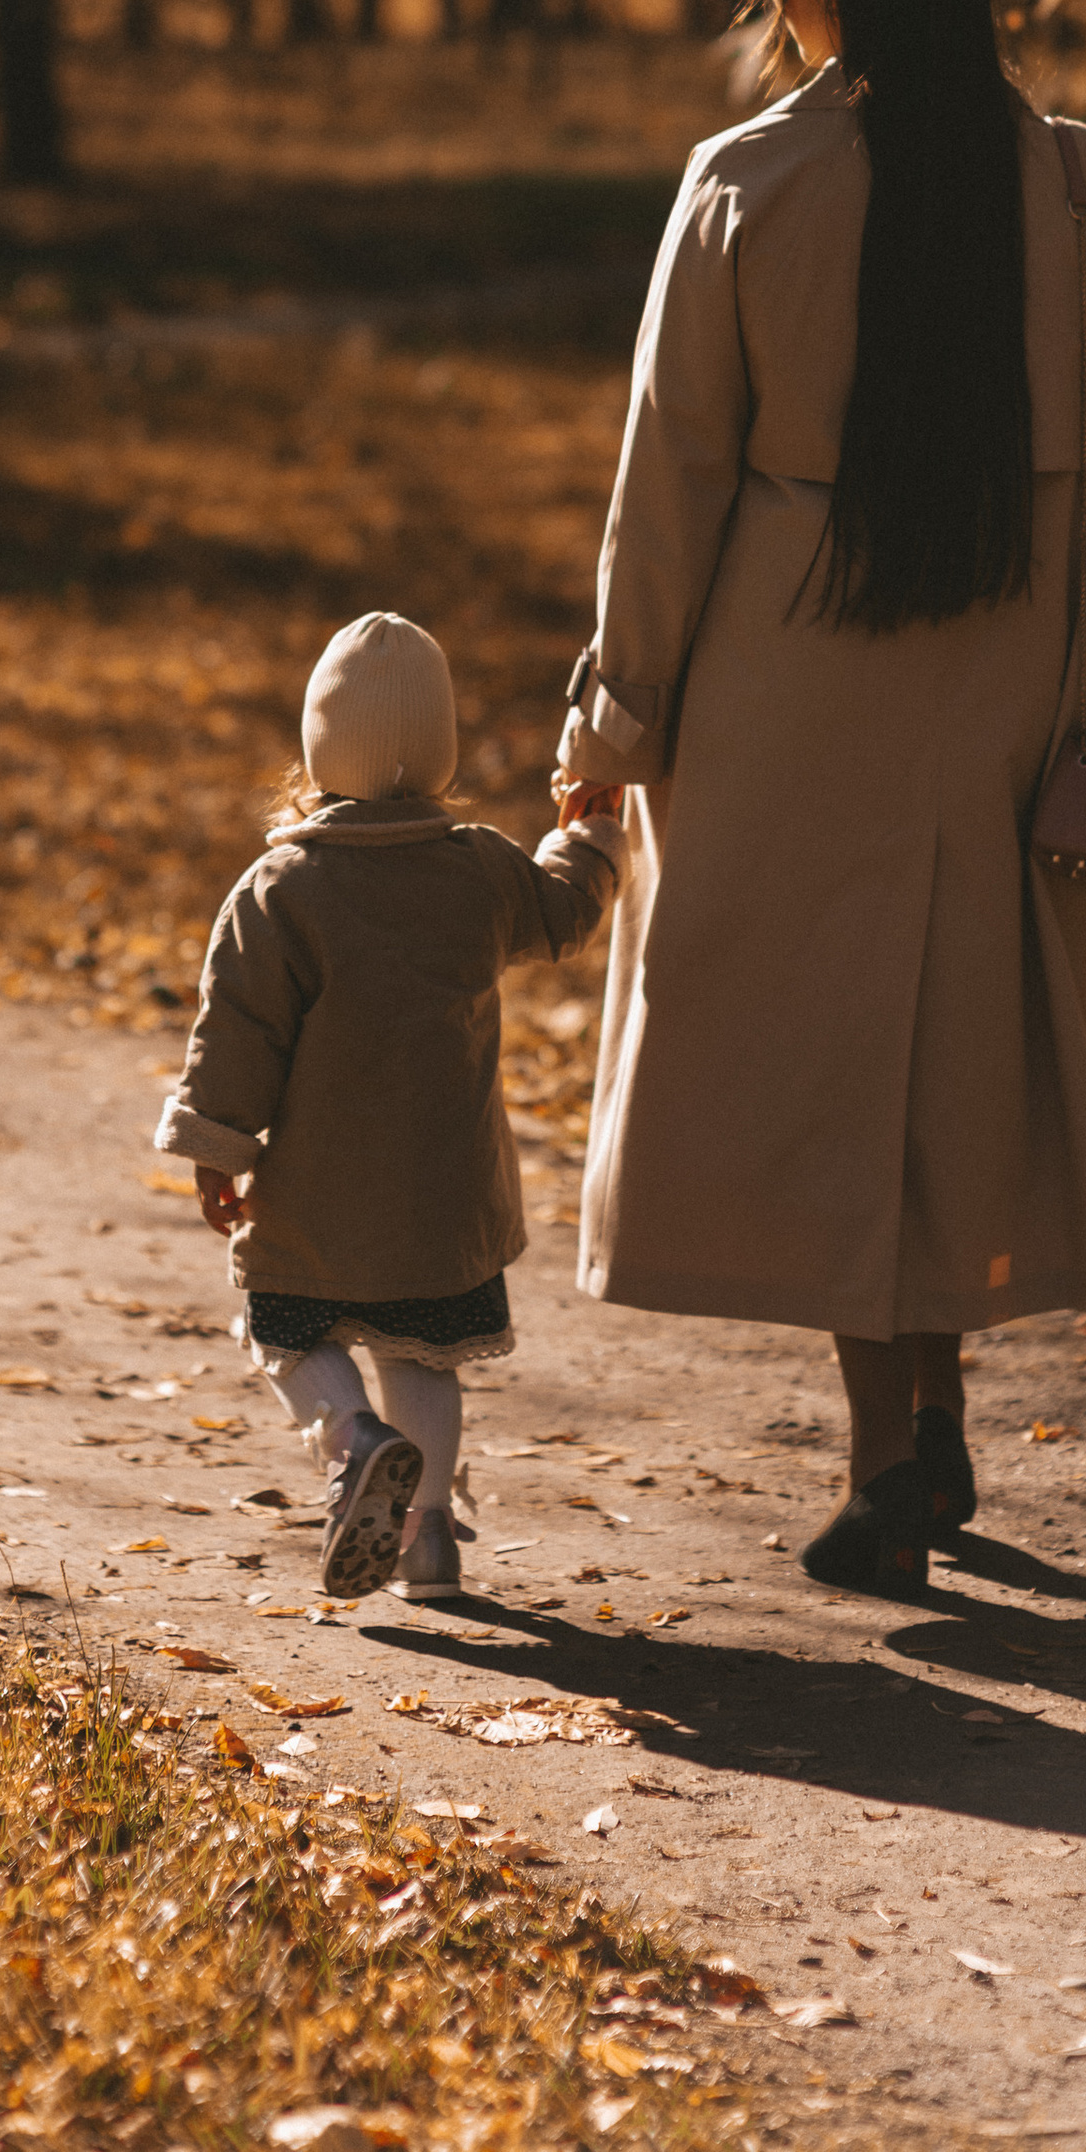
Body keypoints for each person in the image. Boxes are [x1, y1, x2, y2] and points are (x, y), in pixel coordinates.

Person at [554, 0, 1086, 1605]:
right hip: (1013, 677)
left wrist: (613, 733)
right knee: (957, 1037)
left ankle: (890, 1454)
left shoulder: (750, 180)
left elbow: (671, 481)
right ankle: (935, 1415)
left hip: (787, 676)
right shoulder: (1073, 181)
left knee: (829, 1054)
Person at [156, 612, 624, 1601]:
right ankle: (427, 1540)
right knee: (423, 1354)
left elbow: (238, 1030)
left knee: (287, 1333)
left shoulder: (283, 886)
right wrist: (587, 832)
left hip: (315, 1193)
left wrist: (216, 1150)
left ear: (318, 746)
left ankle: (350, 1443)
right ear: (441, 750)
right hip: (440, 1199)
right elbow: (563, 911)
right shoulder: (479, 869)